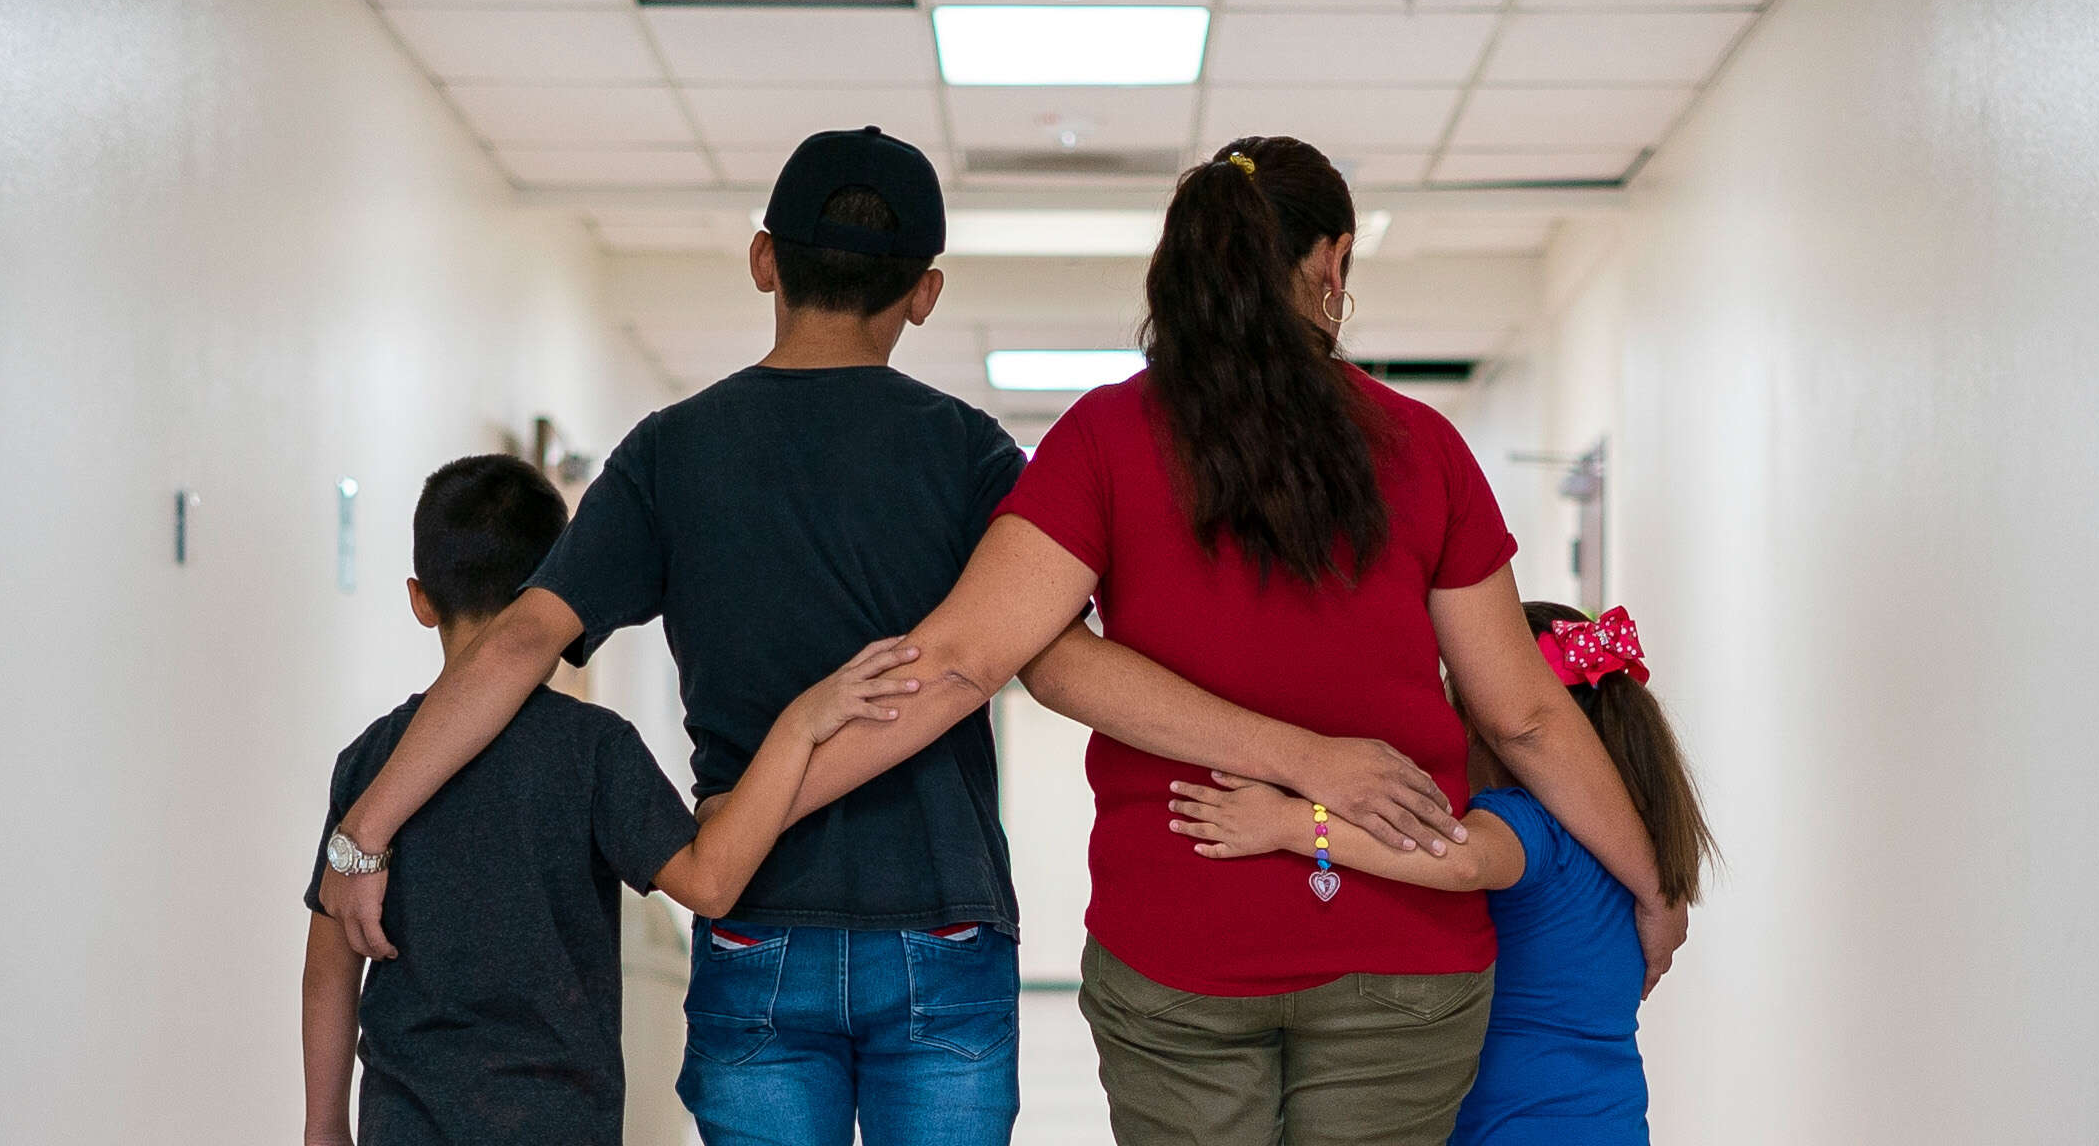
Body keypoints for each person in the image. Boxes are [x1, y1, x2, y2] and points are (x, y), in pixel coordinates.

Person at [311, 129, 1463, 1146]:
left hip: (756, 912)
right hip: (943, 916)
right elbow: (1050, 660)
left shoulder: (669, 453)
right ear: (925, 292)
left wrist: (363, 834)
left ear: (766, 261)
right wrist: (1297, 746)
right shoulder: (970, 456)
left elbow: (514, 648)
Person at [757, 137, 1689, 1146]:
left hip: (1178, 948)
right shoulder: (1424, 448)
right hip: (1402, 957)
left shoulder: (1105, 440)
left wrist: (746, 822)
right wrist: (1654, 888)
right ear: (1331, 266)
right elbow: (1528, 716)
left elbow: (965, 660)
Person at [299, 454, 929, 1146]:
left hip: (403, 1118)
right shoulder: (591, 748)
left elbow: (330, 974)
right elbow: (709, 883)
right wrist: (799, 726)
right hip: (558, 1118)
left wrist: (324, 1125)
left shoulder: (370, 761)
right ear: (555, 594)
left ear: (421, 599)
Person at [1162, 602, 1717, 1146]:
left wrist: (1291, 823)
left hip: (1513, 1125)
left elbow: (1461, 858)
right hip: (1611, 1119)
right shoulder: (1636, 845)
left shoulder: (1528, 822)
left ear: (1487, 723)